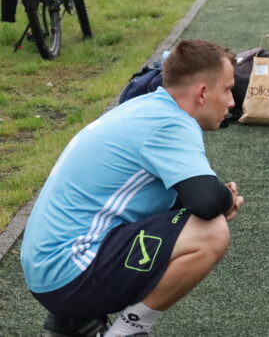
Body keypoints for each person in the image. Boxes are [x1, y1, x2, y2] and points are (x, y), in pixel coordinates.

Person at [21, 39, 245, 337]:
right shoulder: (171, 123)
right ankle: (128, 331)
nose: (231, 102)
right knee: (211, 231)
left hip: (48, 268)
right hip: (69, 274)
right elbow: (206, 201)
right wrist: (225, 199)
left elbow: (187, 198)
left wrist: (217, 197)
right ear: (202, 93)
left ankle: (73, 323)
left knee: (174, 213)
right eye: (227, 89)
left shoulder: (145, 105)